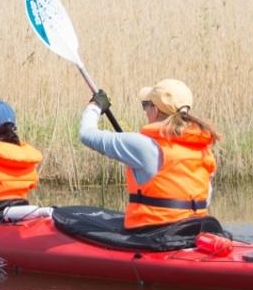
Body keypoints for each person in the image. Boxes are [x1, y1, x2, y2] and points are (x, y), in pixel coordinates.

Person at [77, 79, 223, 231]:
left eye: (145, 105)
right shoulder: (203, 150)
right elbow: (205, 199)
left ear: (156, 110)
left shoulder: (144, 145)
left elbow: (86, 134)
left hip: (153, 235)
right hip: (195, 231)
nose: (145, 111)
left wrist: (95, 106)